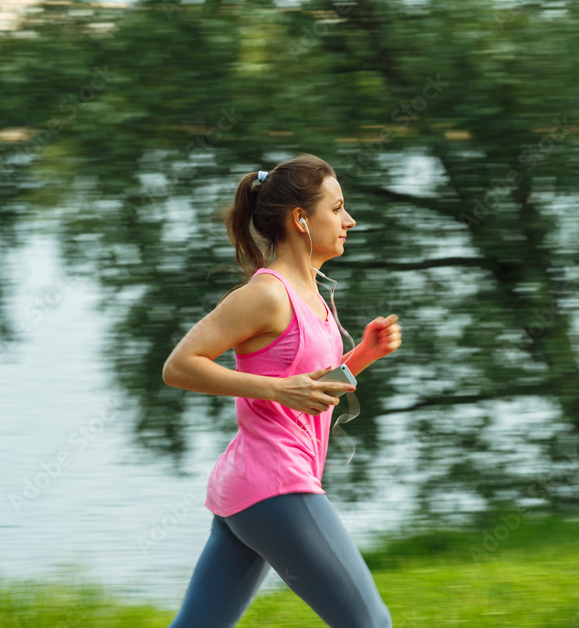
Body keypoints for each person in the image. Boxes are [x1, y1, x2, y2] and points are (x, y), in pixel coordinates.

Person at [162, 153, 401, 627]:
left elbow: (306, 390)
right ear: (300, 219)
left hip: (251, 488)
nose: (349, 220)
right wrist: (276, 390)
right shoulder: (266, 294)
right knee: (370, 624)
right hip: (276, 484)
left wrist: (362, 358)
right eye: (336, 209)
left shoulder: (312, 295)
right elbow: (179, 366)